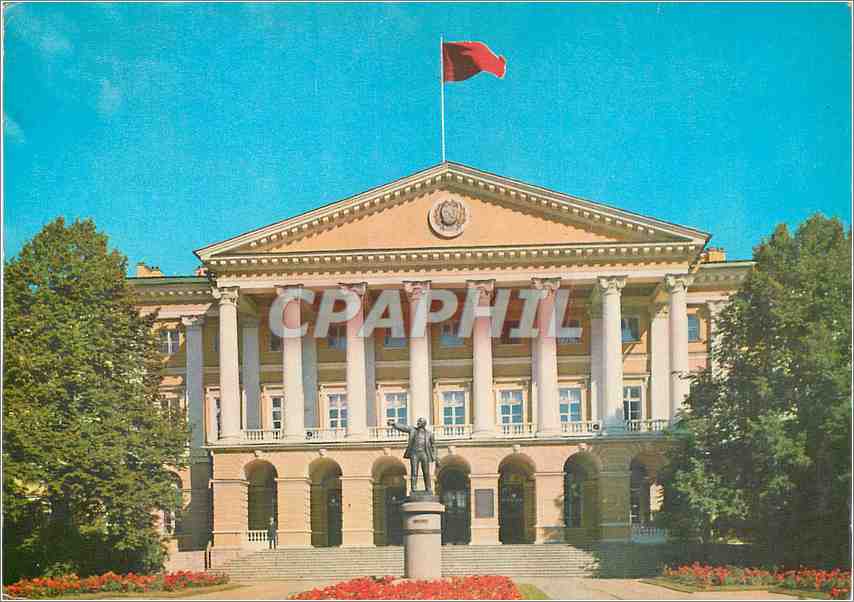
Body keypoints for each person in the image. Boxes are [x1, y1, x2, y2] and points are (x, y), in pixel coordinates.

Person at [388, 417, 439, 494]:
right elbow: (404, 428)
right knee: (414, 472)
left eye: (420, 421)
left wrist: (435, 457)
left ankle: (428, 488)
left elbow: (433, 445)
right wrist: (394, 424)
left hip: (424, 453)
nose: (418, 422)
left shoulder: (429, 434)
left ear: (424, 423)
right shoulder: (413, 430)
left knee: (426, 472)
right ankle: (413, 488)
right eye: (418, 421)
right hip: (414, 453)